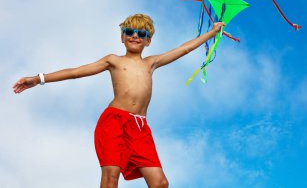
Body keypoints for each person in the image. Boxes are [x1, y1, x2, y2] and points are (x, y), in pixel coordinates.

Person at [13, 13, 224, 188]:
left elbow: (183, 48)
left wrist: (212, 32)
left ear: (148, 40)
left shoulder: (151, 63)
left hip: (140, 128)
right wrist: (38, 79)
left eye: (142, 33)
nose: (135, 35)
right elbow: (76, 72)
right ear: (122, 37)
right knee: (111, 177)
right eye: (129, 32)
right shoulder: (113, 60)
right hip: (113, 122)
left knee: (160, 183)